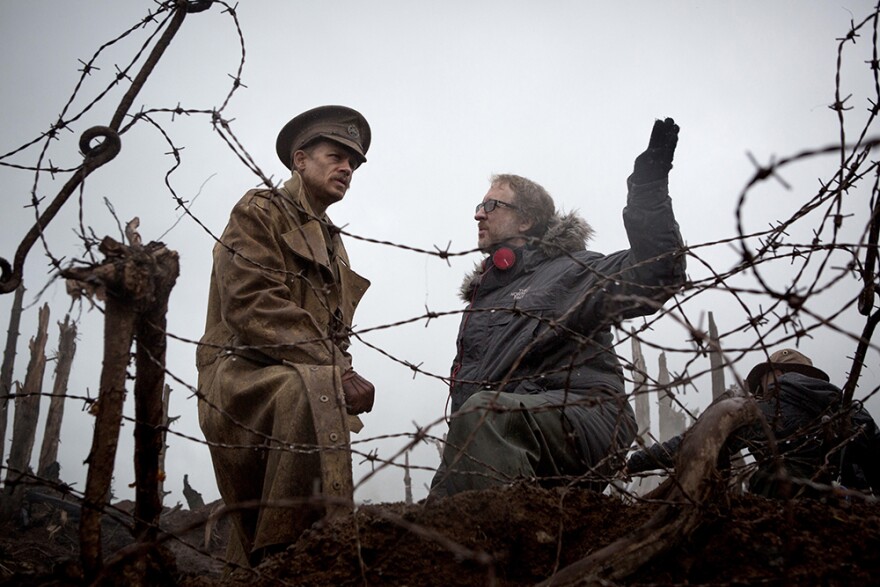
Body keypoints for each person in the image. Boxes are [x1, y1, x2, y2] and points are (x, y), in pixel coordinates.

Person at [428, 118, 687, 499]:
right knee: (436, 512)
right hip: (503, 430)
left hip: (584, 416)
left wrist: (647, 189)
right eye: (479, 205)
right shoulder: (485, 302)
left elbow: (656, 273)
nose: (478, 214)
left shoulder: (571, 271)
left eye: (491, 205)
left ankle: (498, 554)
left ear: (527, 220)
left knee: (484, 418)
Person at [196, 105, 376, 566]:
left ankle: (275, 564)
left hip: (306, 381)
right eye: (336, 156)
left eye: (353, 163)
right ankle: (299, 560)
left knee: (260, 518)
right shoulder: (260, 211)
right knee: (306, 390)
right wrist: (338, 369)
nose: (347, 169)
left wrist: (336, 367)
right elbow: (251, 303)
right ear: (299, 159)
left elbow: (336, 333)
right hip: (241, 375)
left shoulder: (335, 245)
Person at [626, 348, 880, 499]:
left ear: (777, 376)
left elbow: (691, 445)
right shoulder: (851, 409)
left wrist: (633, 462)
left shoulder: (765, 410)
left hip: (786, 515)